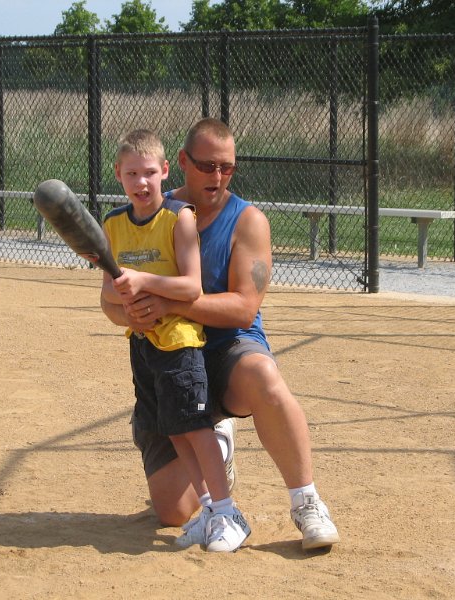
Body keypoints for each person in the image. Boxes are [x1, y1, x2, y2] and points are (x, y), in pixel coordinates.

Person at [102, 118, 340, 551]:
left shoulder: (248, 222)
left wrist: (167, 304)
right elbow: (109, 301)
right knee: (172, 512)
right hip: (168, 353)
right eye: (207, 165)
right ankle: (221, 446)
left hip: (226, 347)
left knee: (264, 377)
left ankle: (306, 501)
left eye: (226, 168)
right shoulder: (154, 210)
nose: (216, 177)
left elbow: (244, 306)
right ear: (182, 162)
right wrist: (130, 317)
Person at [100, 129, 250, 552]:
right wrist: (126, 300)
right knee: (175, 430)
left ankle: (226, 510)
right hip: (143, 347)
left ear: (167, 170)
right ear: (119, 175)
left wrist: (143, 282)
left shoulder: (178, 216)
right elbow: (109, 294)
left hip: (180, 344)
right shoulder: (113, 224)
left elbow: (191, 288)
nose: (142, 182)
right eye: (132, 174)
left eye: (150, 172)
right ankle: (207, 509)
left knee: (195, 428)